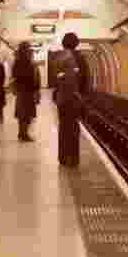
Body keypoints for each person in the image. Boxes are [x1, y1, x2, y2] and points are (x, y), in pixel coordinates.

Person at [52, 32, 91, 167]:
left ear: (63, 43)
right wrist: (84, 97)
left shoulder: (58, 57)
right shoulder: (81, 58)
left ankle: (62, 157)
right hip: (75, 99)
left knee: (63, 127)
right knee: (74, 127)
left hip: (62, 98)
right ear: (77, 44)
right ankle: (73, 159)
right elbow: (85, 80)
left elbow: (55, 79)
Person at [12, 42, 41, 142]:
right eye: (28, 48)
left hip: (22, 91)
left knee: (22, 114)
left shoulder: (17, 61)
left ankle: (22, 133)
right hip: (28, 91)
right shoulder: (28, 62)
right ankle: (23, 134)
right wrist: (36, 90)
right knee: (26, 114)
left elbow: (14, 76)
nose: (29, 50)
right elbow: (33, 78)